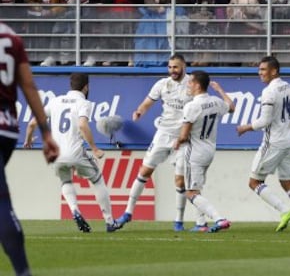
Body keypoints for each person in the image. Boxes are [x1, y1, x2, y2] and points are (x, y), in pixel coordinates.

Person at [24, 73, 121, 233]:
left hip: (55, 154)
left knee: (66, 181)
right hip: (75, 152)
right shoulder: (84, 103)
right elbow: (83, 125)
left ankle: (75, 210)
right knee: (97, 179)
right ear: (86, 87)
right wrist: (95, 149)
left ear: (70, 85)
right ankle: (110, 221)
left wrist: (28, 140)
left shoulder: (55, 101)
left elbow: (32, 123)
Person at [0, 21, 58, 276]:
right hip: (7, 128)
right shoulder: (11, 37)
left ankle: (23, 271)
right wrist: (46, 133)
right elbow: (28, 86)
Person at [115, 54, 193, 231]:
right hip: (163, 134)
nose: (172, 71)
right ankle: (128, 212)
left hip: (183, 138)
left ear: (184, 67)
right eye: (170, 67)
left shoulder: (192, 85)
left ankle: (178, 221)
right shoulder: (162, 84)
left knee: (180, 181)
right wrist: (139, 112)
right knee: (144, 170)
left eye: (176, 67)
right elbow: (147, 102)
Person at [237, 55, 290, 232]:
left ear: (274, 71)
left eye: (264, 70)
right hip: (287, 141)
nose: (260, 73)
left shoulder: (269, 92)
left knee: (254, 182)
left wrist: (245, 127)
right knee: (287, 182)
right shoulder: (289, 87)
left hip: (273, 142)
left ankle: (284, 211)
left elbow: (264, 121)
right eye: (259, 70)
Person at [173, 70, 235, 232]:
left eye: (190, 82)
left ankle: (219, 219)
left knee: (190, 193)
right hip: (209, 151)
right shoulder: (215, 101)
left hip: (194, 152)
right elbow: (232, 107)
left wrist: (177, 141)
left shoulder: (192, 106)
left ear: (198, 85)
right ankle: (201, 224)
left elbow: (184, 135)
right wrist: (220, 90)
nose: (188, 84)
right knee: (196, 188)